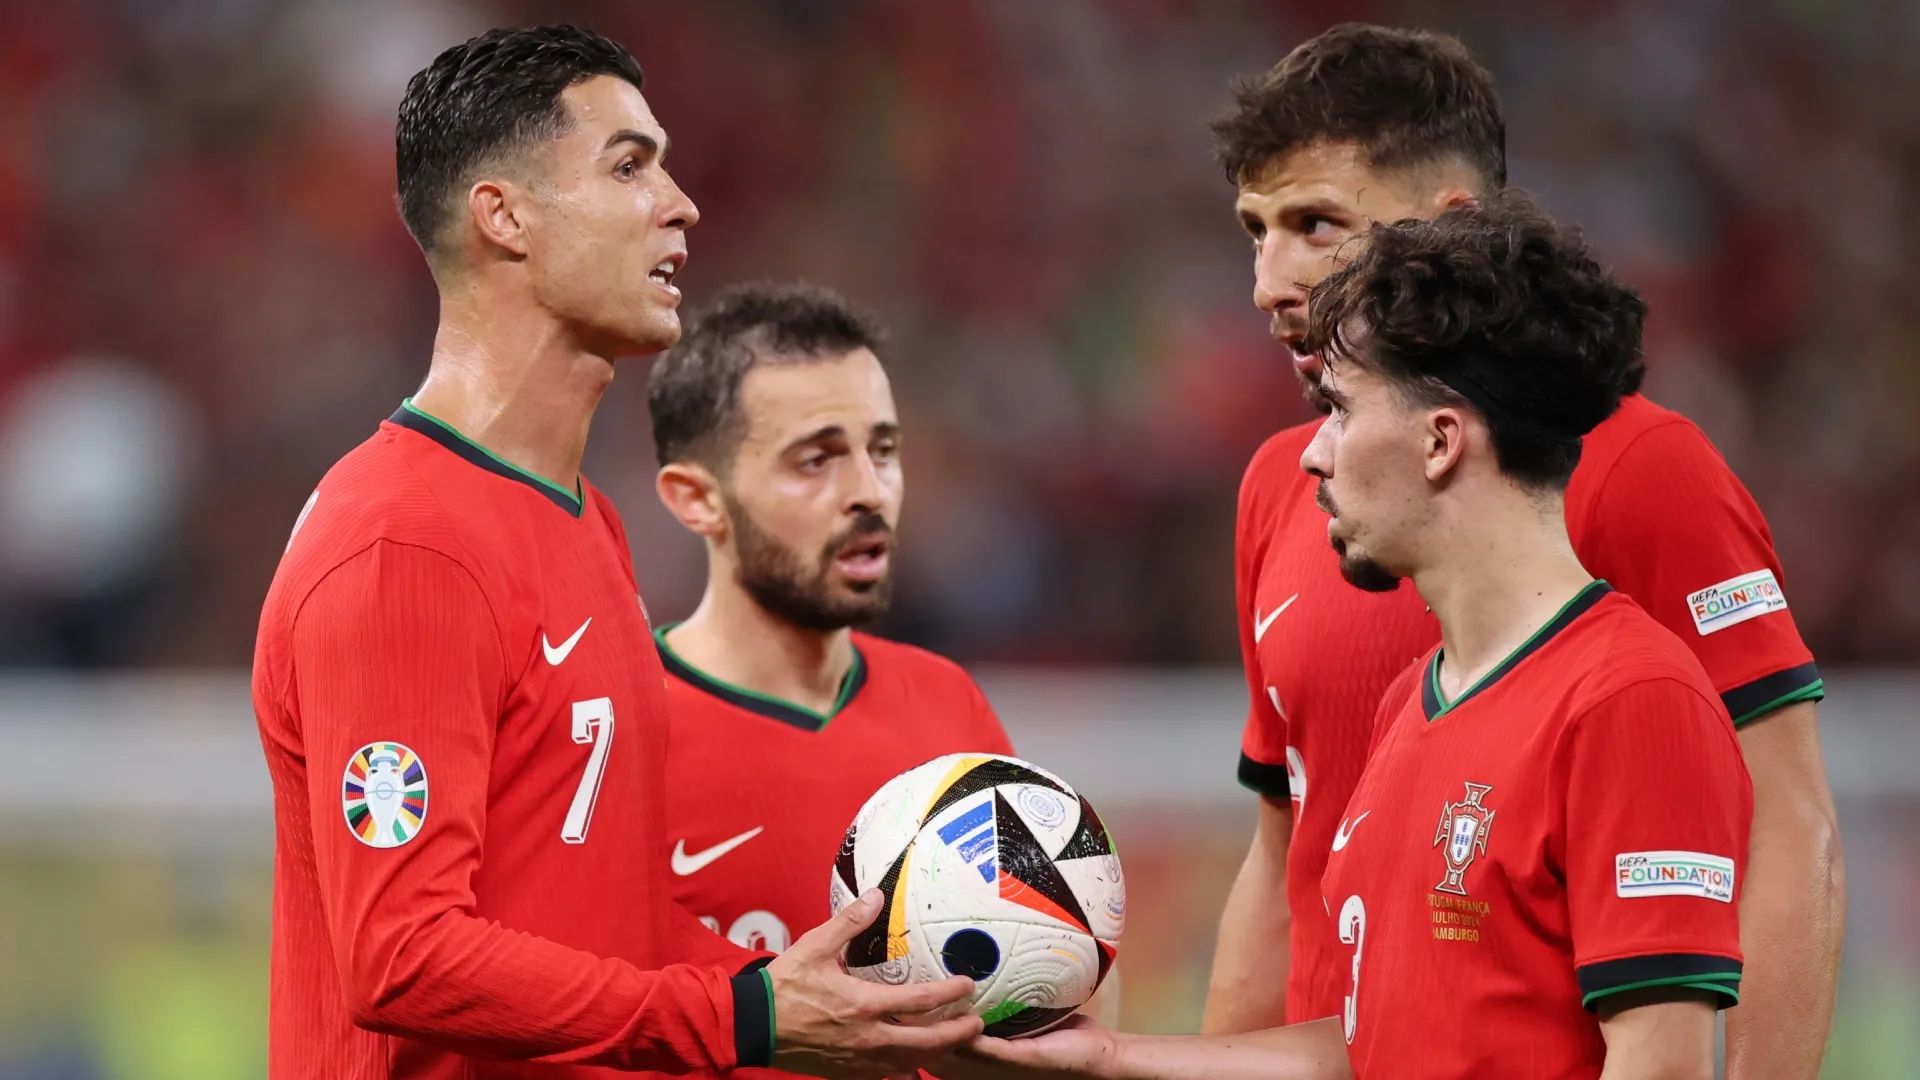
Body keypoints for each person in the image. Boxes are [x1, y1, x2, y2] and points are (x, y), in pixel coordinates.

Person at [251, 26, 981, 1080]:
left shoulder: (581, 523)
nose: (680, 204)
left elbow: (605, 926)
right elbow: (400, 957)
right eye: (629, 166)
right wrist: (740, 1017)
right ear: (504, 217)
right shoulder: (406, 542)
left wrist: (823, 1002)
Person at [967, 194, 1751, 1079]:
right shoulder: (1410, 704)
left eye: (1339, 410)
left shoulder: (1631, 700)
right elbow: (1369, 1049)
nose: (1314, 453)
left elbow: (1661, 1064)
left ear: (1440, 441)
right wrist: (1108, 1056)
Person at [1198, 25, 1841, 1078]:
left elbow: (1785, 826)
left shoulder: (1642, 470)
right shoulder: (1285, 486)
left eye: (1318, 224)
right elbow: (1281, 861)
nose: (1271, 280)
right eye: (1255, 229)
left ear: (1450, 225)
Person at [645, 281, 1014, 961]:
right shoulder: (616, 733)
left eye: (882, 451)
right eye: (816, 461)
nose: (869, 493)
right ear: (697, 500)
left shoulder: (947, 706)